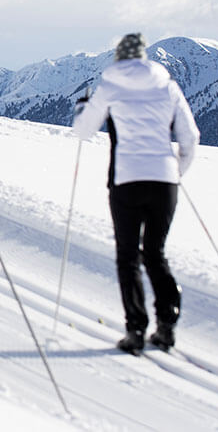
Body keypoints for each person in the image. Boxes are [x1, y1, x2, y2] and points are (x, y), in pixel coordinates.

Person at [72, 33, 199, 355]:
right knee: (155, 253)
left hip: (126, 180)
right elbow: (190, 137)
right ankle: (167, 325)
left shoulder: (110, 86)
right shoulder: (168, 86)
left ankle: (136, 330)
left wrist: (83, 107)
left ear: (119, 58)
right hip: (164, 182)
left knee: (128, 256)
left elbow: (83, 131)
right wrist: (175, 172)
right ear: (144, 57)